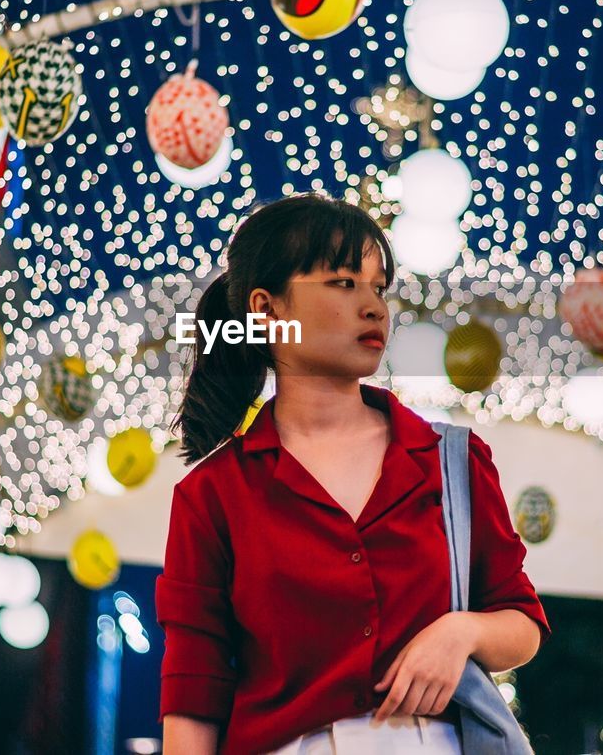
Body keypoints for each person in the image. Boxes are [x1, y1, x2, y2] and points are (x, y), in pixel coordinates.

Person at [157, 193, 549, 754]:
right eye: (343, 283)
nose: (374, 307)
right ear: (266, 310)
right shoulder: (213, 492)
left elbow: (522, 622)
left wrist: (463, 632)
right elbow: (194, 691)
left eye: (378, 287)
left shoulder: (453, 460)